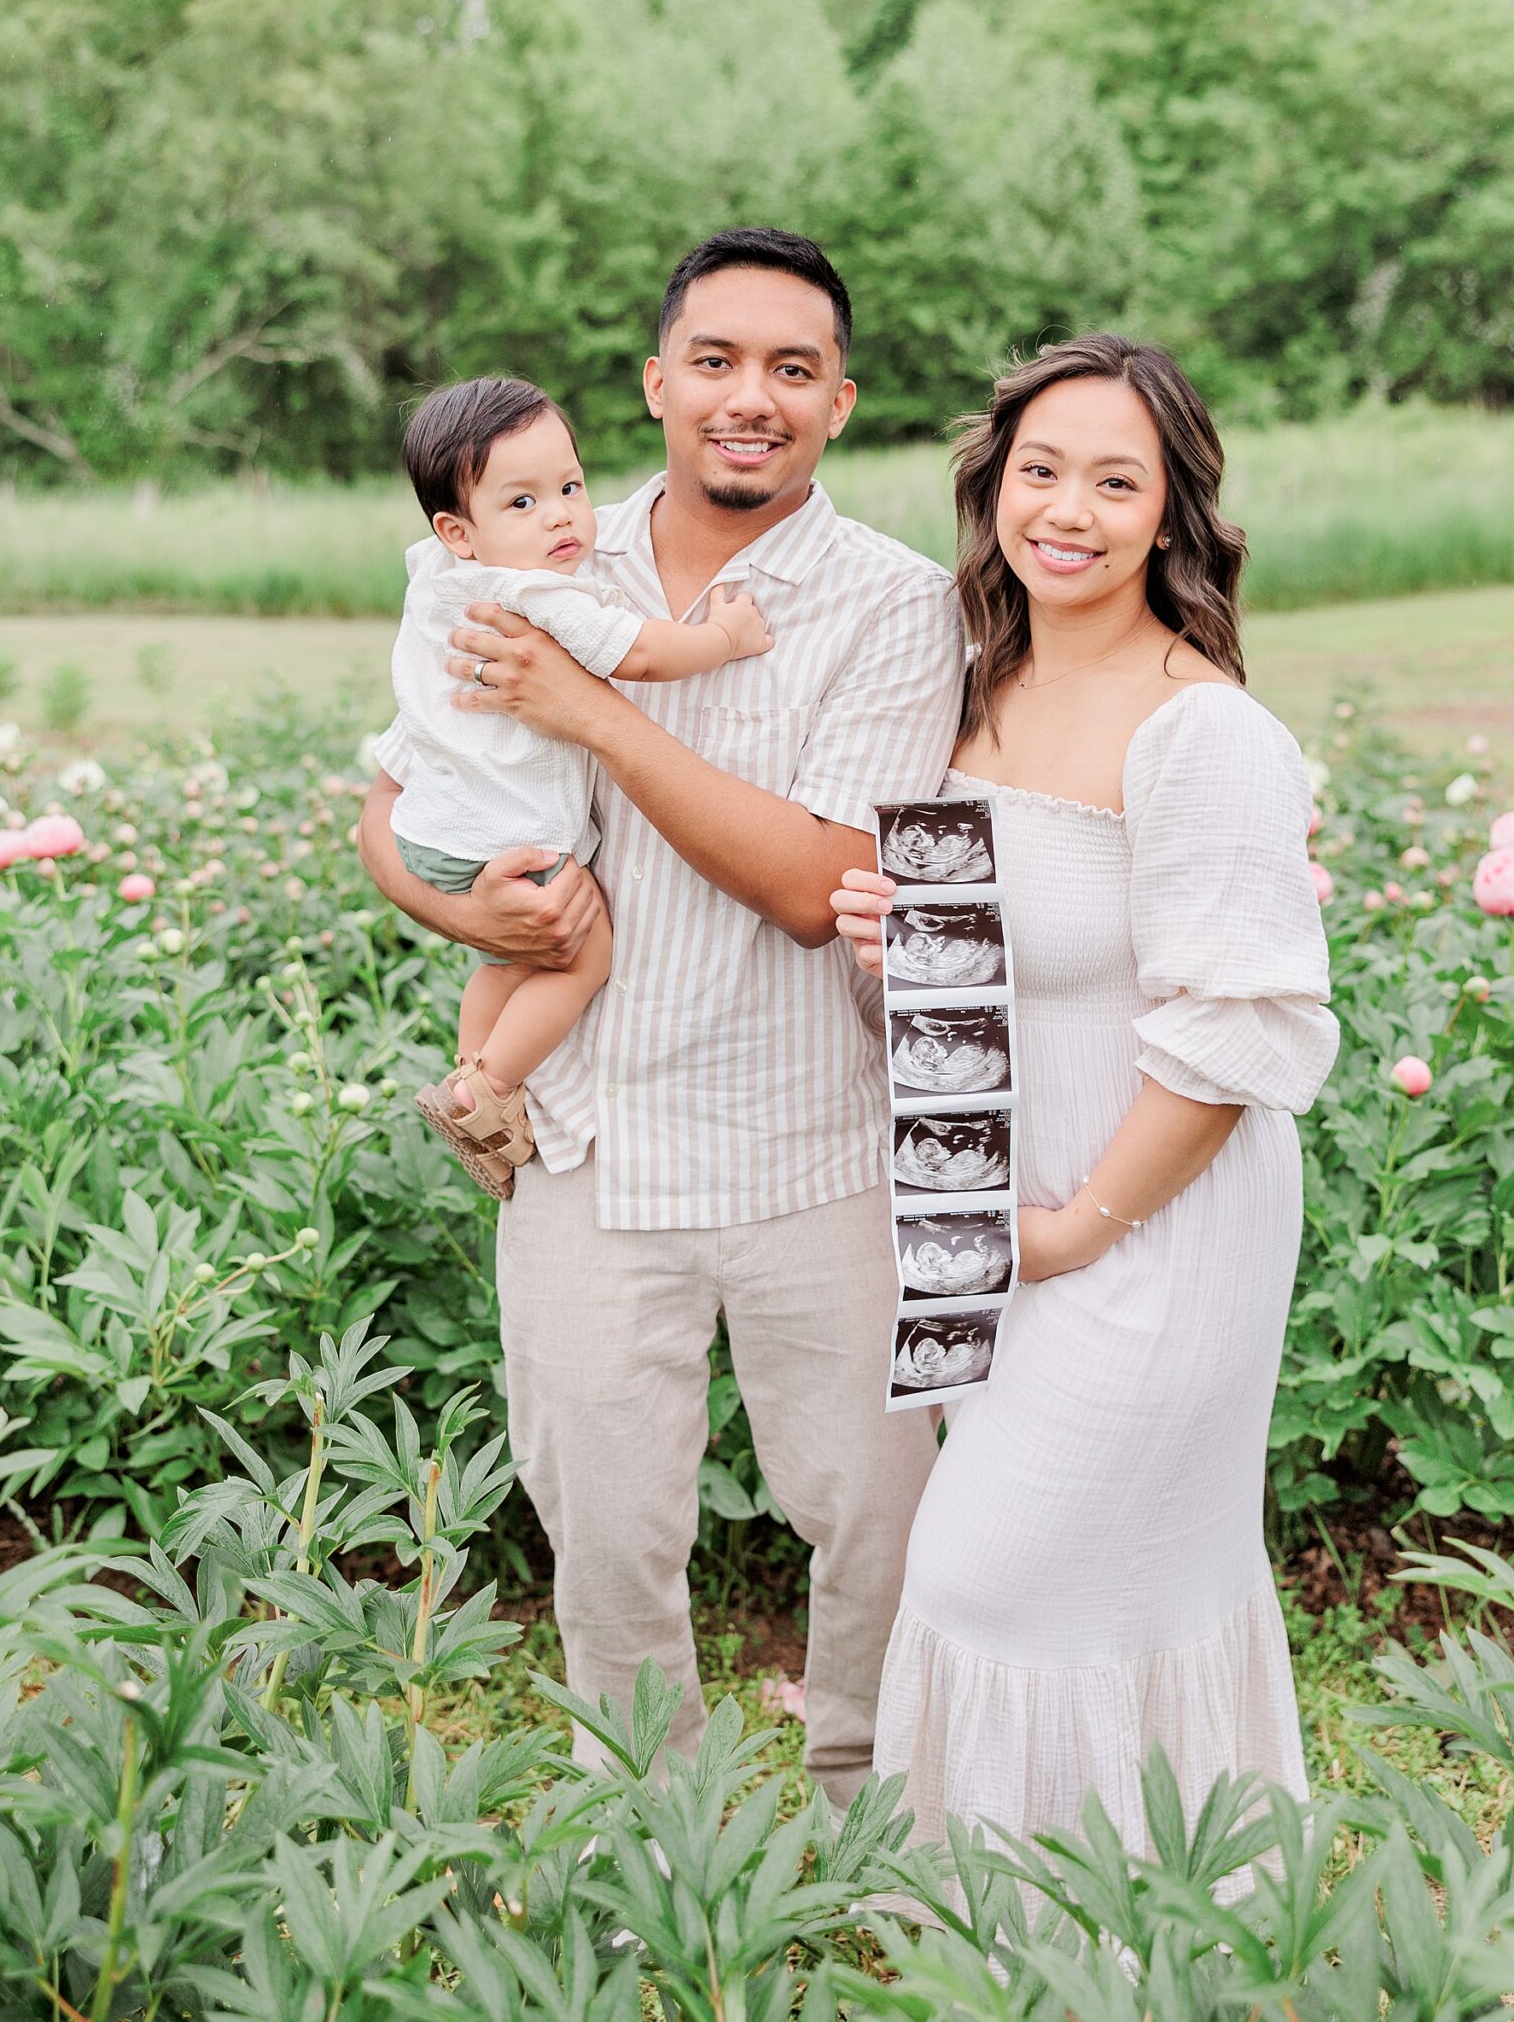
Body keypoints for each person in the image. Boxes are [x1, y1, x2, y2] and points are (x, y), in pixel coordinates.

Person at [358, 228, 964, 1804]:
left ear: (838, 399)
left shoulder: (897, 607)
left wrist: (591, 716)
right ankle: (654, 1827)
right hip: (589, 1143)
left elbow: (817, 877)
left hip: (813, 1138)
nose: (746, 396)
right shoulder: (539, 549)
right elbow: (390, 795)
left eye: (787, 369)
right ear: (655, 384)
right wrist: (457, 906)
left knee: (874, 1515)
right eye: (713, 361)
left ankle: (866, 1804)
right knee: (609, 1530)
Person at [832, 333, 1337, 1855]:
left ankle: (1099, 1932)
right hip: (1005, 1220)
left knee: (987, 1574)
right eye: (1039, 470)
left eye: (1116, 480)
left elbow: (1233, 1033)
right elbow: (995, 988)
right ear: (992, 487)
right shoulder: (969, 690)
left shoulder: (1200, 732)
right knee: (1096, 1582)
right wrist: (891, 946)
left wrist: (1072, 1231)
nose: (1068, 508)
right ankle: (1039, 1948)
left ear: (1171, 514)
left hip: (1149, 1224)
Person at [384, 376, 771, 1194]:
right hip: (508, 833)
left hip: (434, 827)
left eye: (569, 486)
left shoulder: (434, 579)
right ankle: (486, 1093)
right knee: (580, 954)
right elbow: (642, 654)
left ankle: (473, 1067)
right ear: (460, 531)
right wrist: (727, 637)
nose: (561, 515)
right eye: (521, 504)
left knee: (504, 959)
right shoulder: (532, 592)